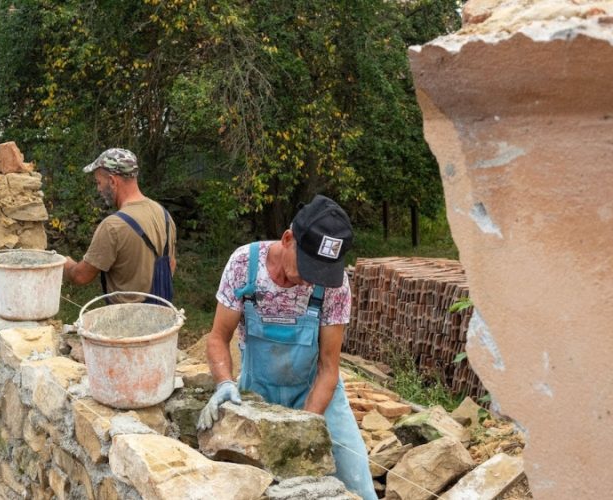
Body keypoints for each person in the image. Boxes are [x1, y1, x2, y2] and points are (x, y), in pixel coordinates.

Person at [196, 194, 377, 500]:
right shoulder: (244, 265)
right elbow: (217, 337)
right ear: (288, 238)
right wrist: (225, 382)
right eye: (308, 267)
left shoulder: (335, 287)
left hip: (317, 391)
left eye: (321, 272)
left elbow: (329, 368)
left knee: (357, 484)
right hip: (258, 393)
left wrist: (305, 426)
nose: (310, 281)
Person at [63, 148, 176, 304]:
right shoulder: (164, 214)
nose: (98, 189)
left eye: (99, 182)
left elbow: (81, 276)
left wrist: (65, 264)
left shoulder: (113, 226)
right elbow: (171, 265)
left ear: (112, 181)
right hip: (164, 321)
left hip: (125, 324)